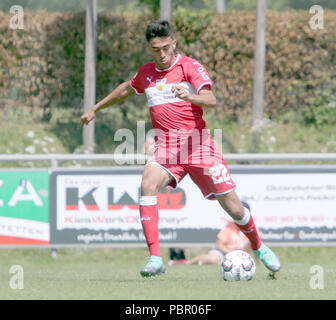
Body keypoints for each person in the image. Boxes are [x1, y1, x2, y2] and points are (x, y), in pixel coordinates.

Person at [78, 20, 281, 277]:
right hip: (168, 149)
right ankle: (155, 258)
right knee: (147, 183)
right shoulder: (146, 74)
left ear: (174, 43)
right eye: (156, 50)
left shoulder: (190, 67)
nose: (162, 54)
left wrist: (190, 96)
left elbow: (211, 99)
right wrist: (95, 108)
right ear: (149, 49)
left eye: (165, 47)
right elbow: (125, 90)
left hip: (198, 146)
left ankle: (259, 247)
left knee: (234, 208)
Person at [169, 201, 254, 266]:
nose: (239, 216)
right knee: (213, 260)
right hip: (223, 253)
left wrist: (261, 262)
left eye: (242, 213)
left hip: (239, 257)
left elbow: (256, 246)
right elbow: (219, 245)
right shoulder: (230, 226)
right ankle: (187, 263)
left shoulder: (253, 228)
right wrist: (232, 254)